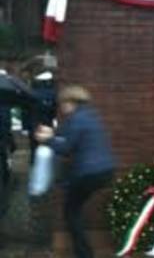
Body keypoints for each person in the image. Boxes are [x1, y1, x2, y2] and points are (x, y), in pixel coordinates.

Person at [36, 85, 115, 258]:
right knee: (74, 208)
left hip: (89, 173)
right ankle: (83, 252)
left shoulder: (76, 119)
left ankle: (84, 254)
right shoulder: (89, 116)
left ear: (71, 102)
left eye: (63, 103)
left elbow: (66, 147)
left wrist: (47, 140)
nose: (61, 107)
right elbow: (67, 134)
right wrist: (52, 133)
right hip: (105, 170)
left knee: (71, 212)